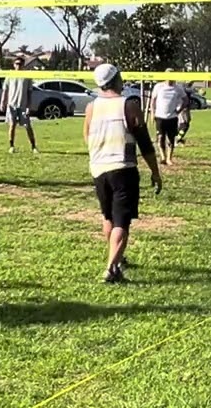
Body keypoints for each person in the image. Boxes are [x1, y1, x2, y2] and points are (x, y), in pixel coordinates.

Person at [84, 63, 162, 284]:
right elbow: (145, 144)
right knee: (122, 221)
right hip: (122, 169)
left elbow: (87, 136)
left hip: (98, 169)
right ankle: (111, 269)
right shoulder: (129, 105)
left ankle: (117, 260)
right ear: (116, 80)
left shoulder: (91, 107)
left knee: (108, 216)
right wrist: (155, 172)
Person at [0, 57, 37, 154]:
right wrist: (3, 102)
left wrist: (29, 106)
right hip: (12, 105)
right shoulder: (10, 75)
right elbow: (5, 90)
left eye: (20, 64)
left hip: (23, 105)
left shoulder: (27, 76)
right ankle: (11, 146)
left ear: (23, 65)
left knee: (27, 126)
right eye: (17, 63)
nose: (18, 66)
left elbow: (29, 92)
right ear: (14, 64)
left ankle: (33, 146)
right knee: (12, 125)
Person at [148, 77, 185, 166]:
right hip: (160, 116)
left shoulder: (178, 88)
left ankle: (169, 158)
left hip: (172, 117)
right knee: (160, 137)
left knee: (171, 139)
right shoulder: (158, 86)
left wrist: (179, 110)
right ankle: (163, 157)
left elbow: (186, 100)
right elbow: (153, 100)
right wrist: (152, 113)